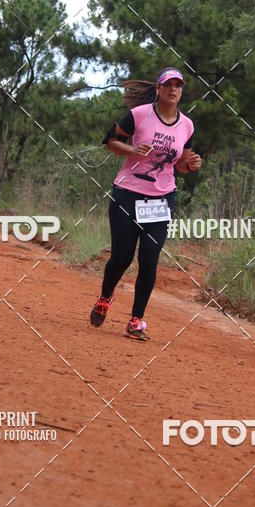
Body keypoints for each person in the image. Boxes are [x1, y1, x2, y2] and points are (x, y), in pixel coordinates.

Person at [90, 67, 202, 340]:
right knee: (122, 256)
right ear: (158, 89)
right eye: (168, 85)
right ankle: (105, 297)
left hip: (162, 199)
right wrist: (132, 150)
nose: (173, 89)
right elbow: (110, 140)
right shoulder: (139, 115)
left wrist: (192, 165)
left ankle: (136, 320)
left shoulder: (187, 125)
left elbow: (182, 164)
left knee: (149, 258)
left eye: (178, 86)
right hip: (128, 193)